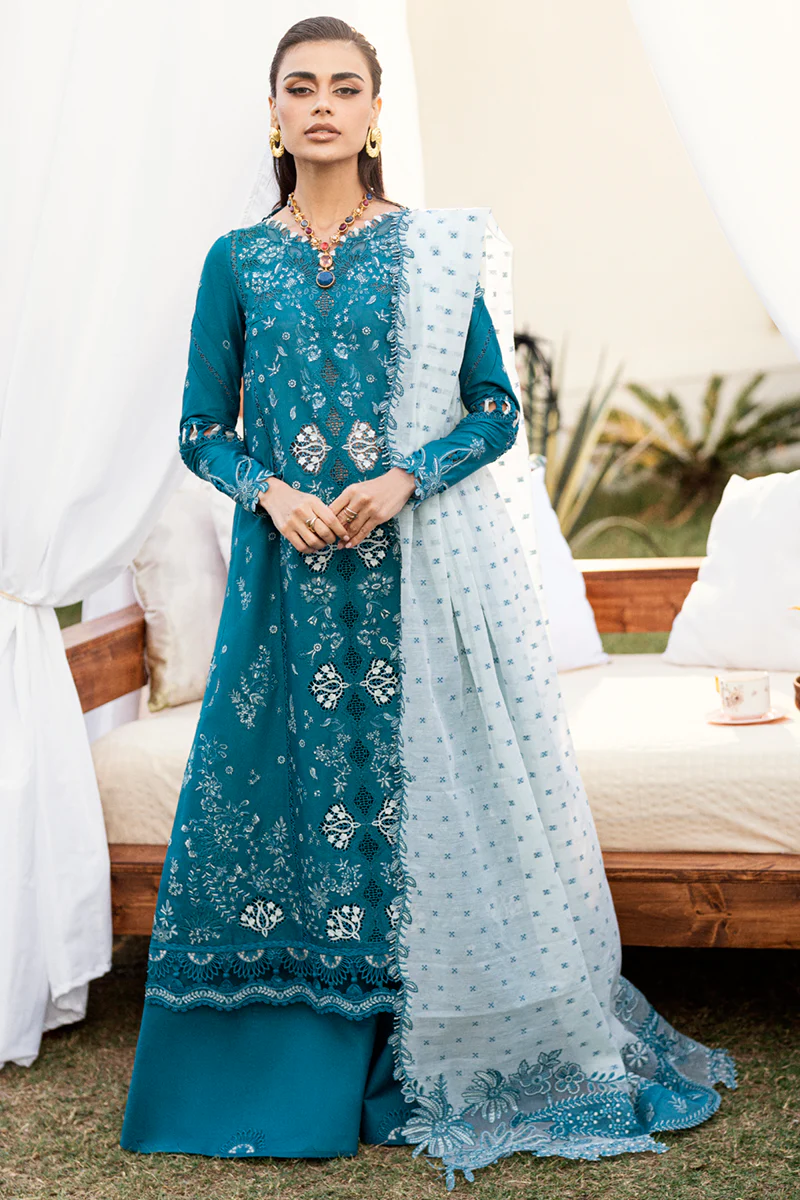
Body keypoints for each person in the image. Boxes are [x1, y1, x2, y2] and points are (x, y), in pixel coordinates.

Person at [120, 15, 736, 1189]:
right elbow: (201, 427)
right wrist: (269, 493)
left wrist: (404, 478)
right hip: (285, 586)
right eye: (300, 88)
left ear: (373, 110)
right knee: (278, 798)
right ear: (272, 113)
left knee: (420, 801)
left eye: (343, 87)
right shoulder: (235, 262)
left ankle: (429, 1043)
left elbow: (493, 408)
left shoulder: (431, 251)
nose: (321, 106)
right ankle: (282, 1062)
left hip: (414, 582)